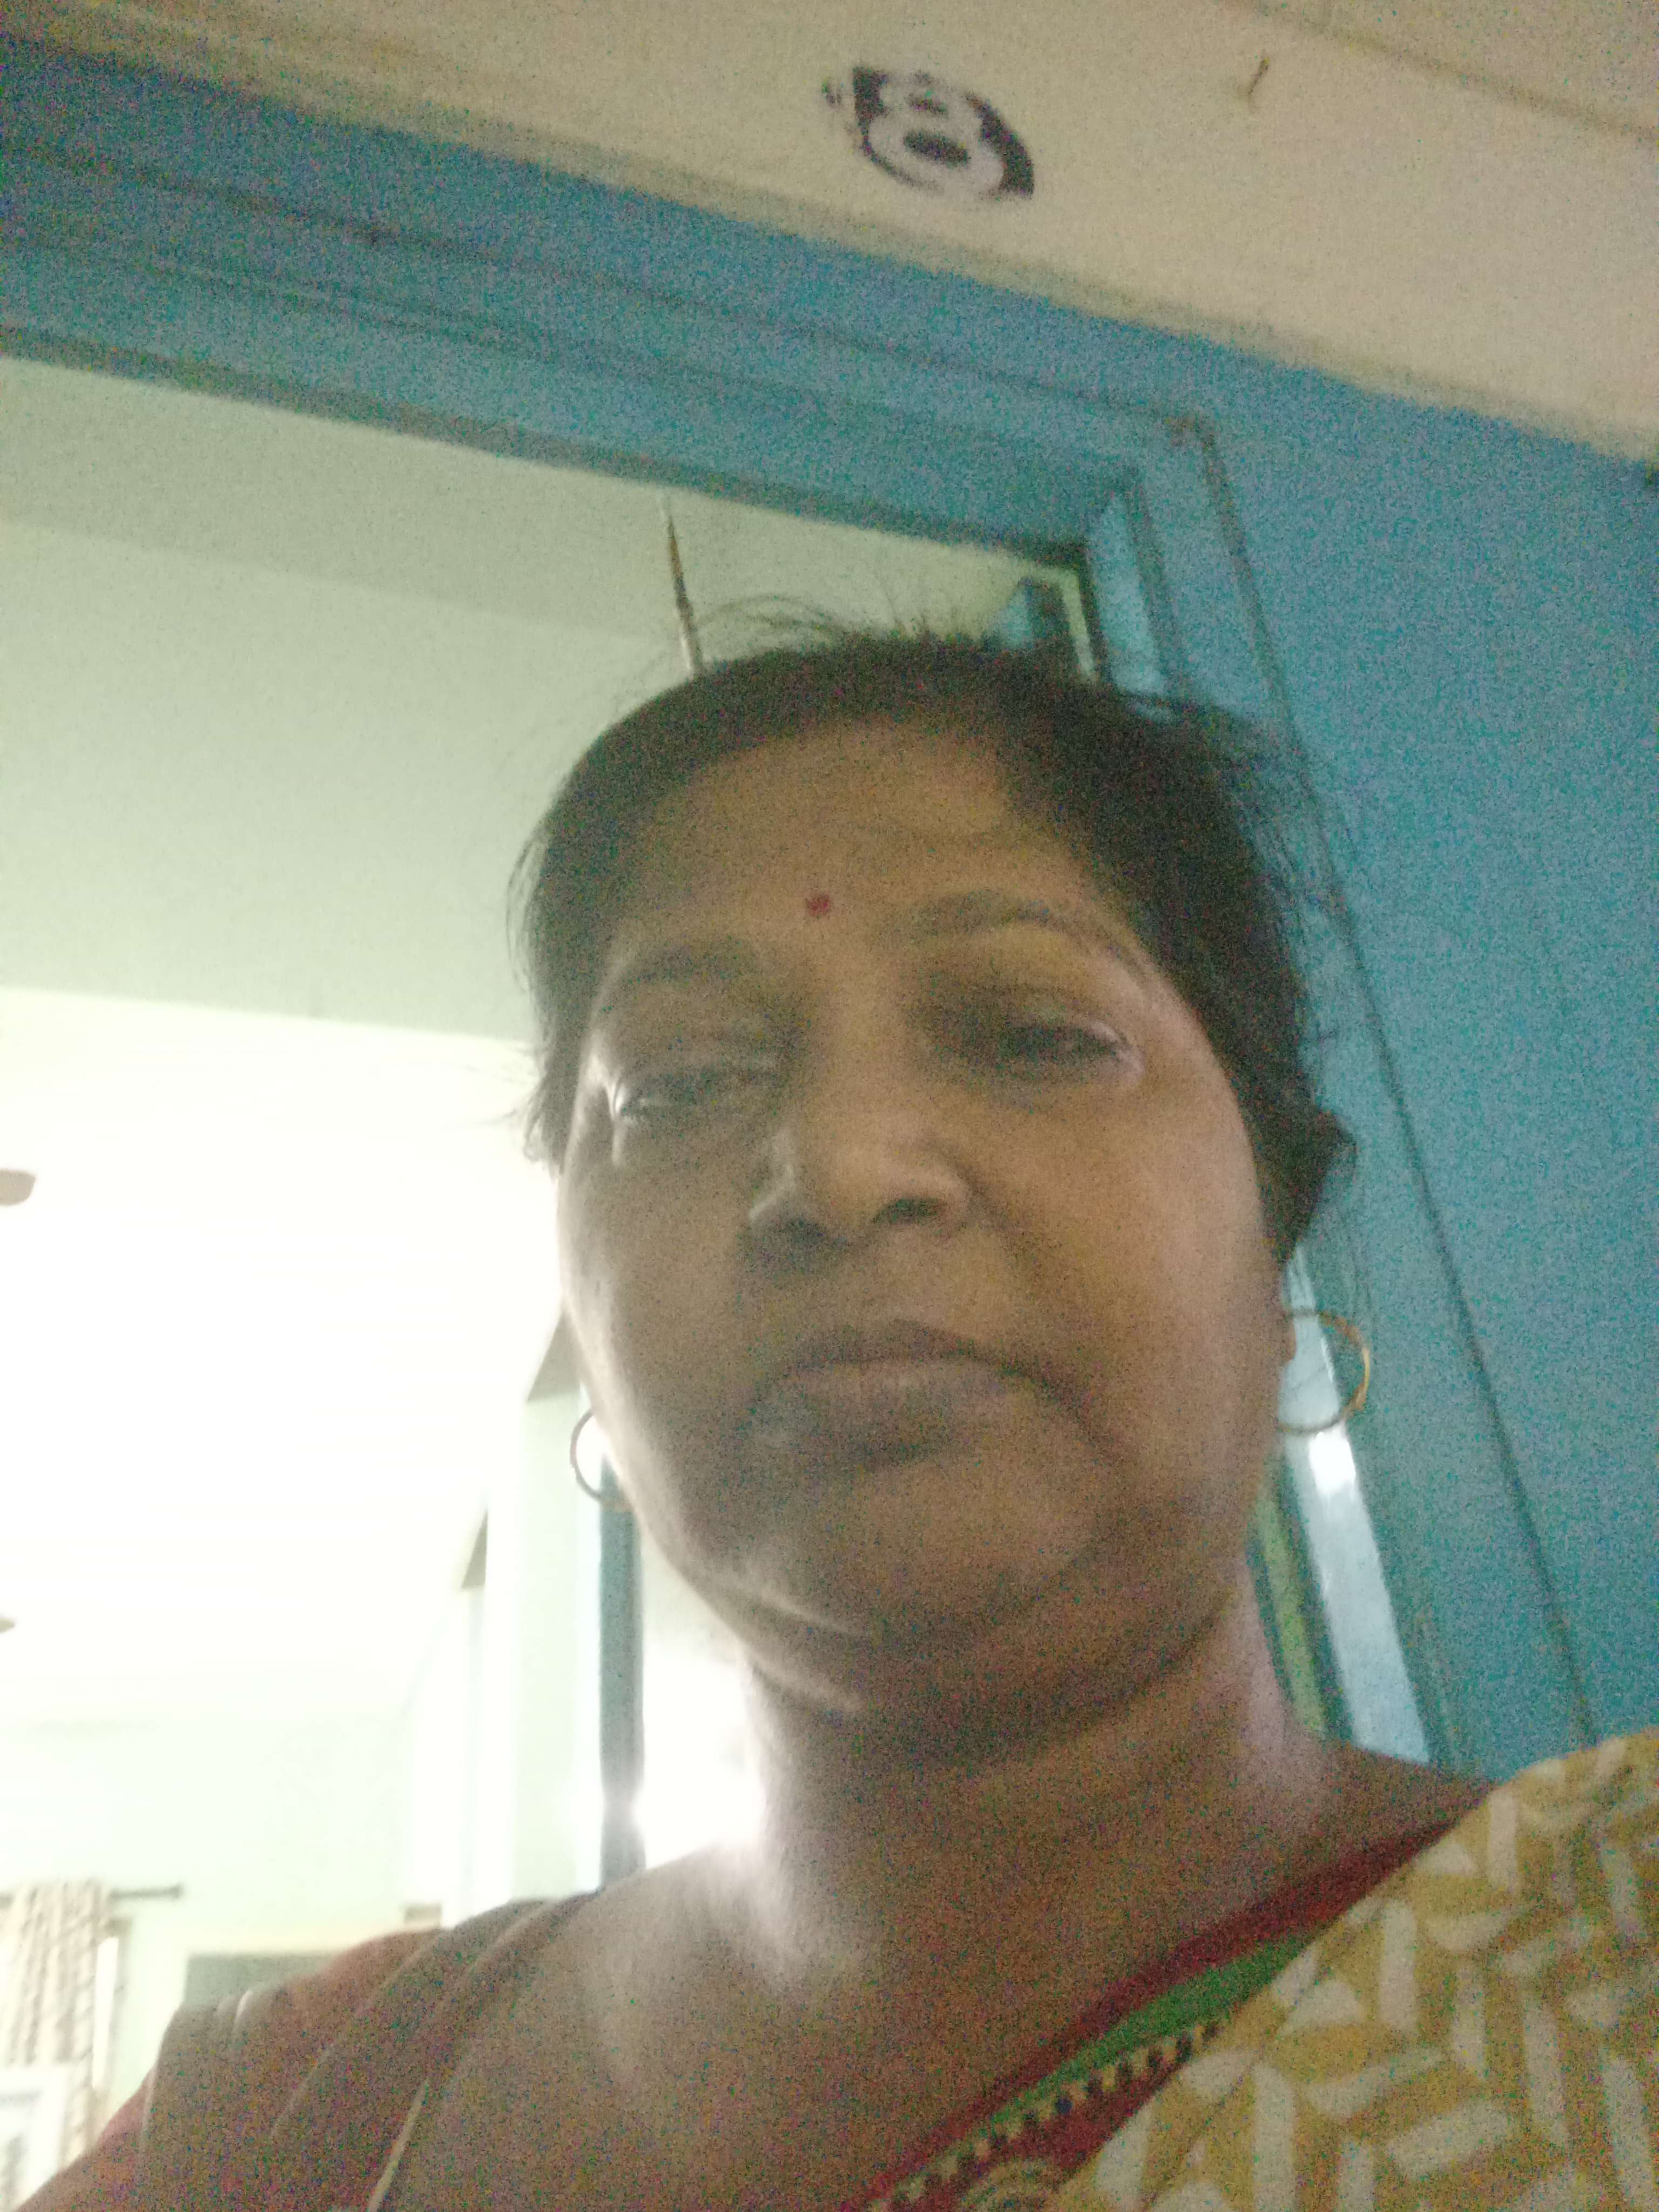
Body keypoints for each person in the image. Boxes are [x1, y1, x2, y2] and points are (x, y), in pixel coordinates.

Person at [31, 633, 1658, 2211]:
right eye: (677, 1084)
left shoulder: (1612, 1958)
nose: (838, 1168)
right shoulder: (288, 2121)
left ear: (1273, 1242)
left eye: (1033, 1036)